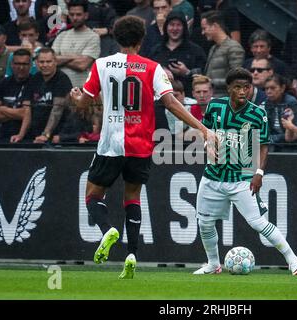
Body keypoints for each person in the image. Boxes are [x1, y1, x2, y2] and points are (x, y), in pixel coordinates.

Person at [70, 15, 214, 279]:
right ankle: (132, 254)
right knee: (133, 197)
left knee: (92, 196)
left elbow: (84, 104)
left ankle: (107, 230)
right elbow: (171, 103)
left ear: (115, 37)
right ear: (141, 39)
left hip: (111, 144)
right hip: (141, 145)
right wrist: (203, 128)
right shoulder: (152, 68)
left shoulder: (101, 64)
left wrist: (77, 98)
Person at [193, 67, 297, 276]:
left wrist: (259, 173)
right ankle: (213, 264)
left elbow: (263, 145)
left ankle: (294, 260)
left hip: (241, 176)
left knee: (257, 222)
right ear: (229, 89)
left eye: (247, 87)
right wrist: (208, 146)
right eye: (237, 87)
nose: (243, 91)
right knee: (205, 223)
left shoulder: (257, 113)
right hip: (213, 175)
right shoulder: (215, 106)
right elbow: (206, 132)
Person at [52, 0, 101, 89]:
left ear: (86, 15)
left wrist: (61, 58)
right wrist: (74, 57)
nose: (74, 18)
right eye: (72, 14)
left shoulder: (93, 37)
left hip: (80, 90)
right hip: (60, 89)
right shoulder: (62, 35)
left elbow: (82, 65)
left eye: (78, 14)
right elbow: (51, 60)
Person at [28, 47, 72, 143]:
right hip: (36, 132)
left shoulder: (62, 79)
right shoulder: (35, 78)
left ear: (55, 62)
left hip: (57, 133)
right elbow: (28, 107)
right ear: (36, 63)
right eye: (41, 62)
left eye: (48, 62)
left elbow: (57, 109)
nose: (45, 65)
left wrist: (46, 134)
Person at [0, 49, 32, 143]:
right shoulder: (3, 83)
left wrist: (3, 109)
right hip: (4, 135)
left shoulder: (35, 82)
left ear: (30, 65)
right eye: (17, 64)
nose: (21, 67)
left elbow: (27, 114)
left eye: (24, 64)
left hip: (29, 137)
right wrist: (18, 113)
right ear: (11, 65)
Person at [201, 10, 245, 97]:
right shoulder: (213, 48)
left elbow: (237, 79)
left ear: (215, 26)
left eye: (204, 28)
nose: (203, 32)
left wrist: (210, 82)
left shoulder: (234, 47)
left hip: (226, 100)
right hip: (213, 99)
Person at [260, 74, 297, 146]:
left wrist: (271, 138)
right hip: (273, 142)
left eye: (273, 88)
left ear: (282, 88)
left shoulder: (291, 102)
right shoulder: (266, 103)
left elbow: (294, 131)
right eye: (266, 88)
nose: (269, 91)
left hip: (291, 143)